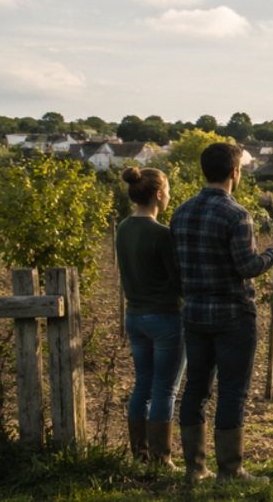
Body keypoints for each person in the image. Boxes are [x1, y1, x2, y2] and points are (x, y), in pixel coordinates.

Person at [172, 142, 273, 484]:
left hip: (194, 313)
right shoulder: (237, 215)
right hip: (232, 314)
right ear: (235, 173)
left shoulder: (180, 212)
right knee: (232, 391)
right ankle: (230, 470)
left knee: (196, 388)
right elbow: (248, 266)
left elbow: (178, 266)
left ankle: (194, 469)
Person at [117, 166, 185, 469]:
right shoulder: (162, 234)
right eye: (167, 190)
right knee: (165, 390)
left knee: (142, 386)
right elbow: (179, 281)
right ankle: (161, 459)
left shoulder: (122, 228)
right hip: (166, 318)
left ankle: (139, 456)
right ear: (159, 194)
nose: (169, 195)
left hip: (134, 317)